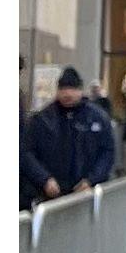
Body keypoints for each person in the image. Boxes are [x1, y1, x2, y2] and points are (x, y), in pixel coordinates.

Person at [22, 66, 116, 205]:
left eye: (72, 89)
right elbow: (28, 152)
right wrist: (44, 179)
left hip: (87, 192)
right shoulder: (43, 119)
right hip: (51, 193)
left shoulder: (97, 118)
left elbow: (107, 151)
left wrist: (92, 180)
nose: (67, 94)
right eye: (63, 89)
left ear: (80, 90)